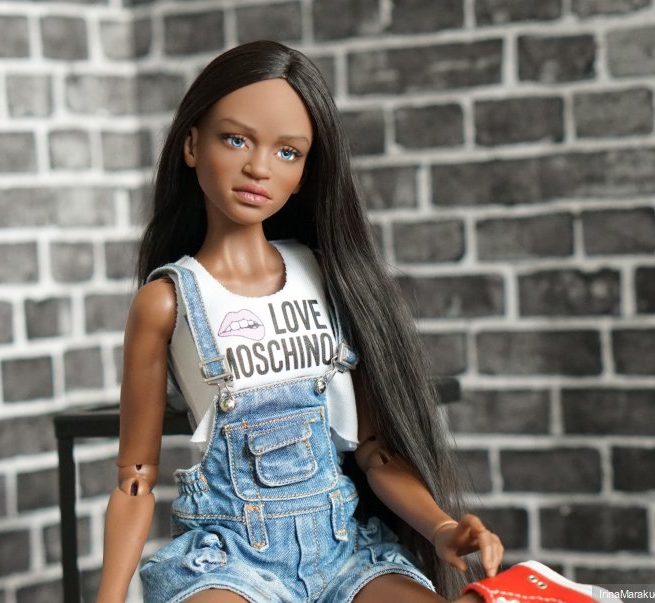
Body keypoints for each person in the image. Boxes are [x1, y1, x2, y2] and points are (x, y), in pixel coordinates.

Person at [96, 40, 504, 603]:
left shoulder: (329, 279)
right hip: (231, 559)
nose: (259, 167)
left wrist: (441, 527)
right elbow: (135, 478)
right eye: (235, 139)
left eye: (288, 152)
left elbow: (375, 451)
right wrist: (108, 596)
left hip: (343, 551)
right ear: (191, 145)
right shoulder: (169, 301)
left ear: (307, 171)